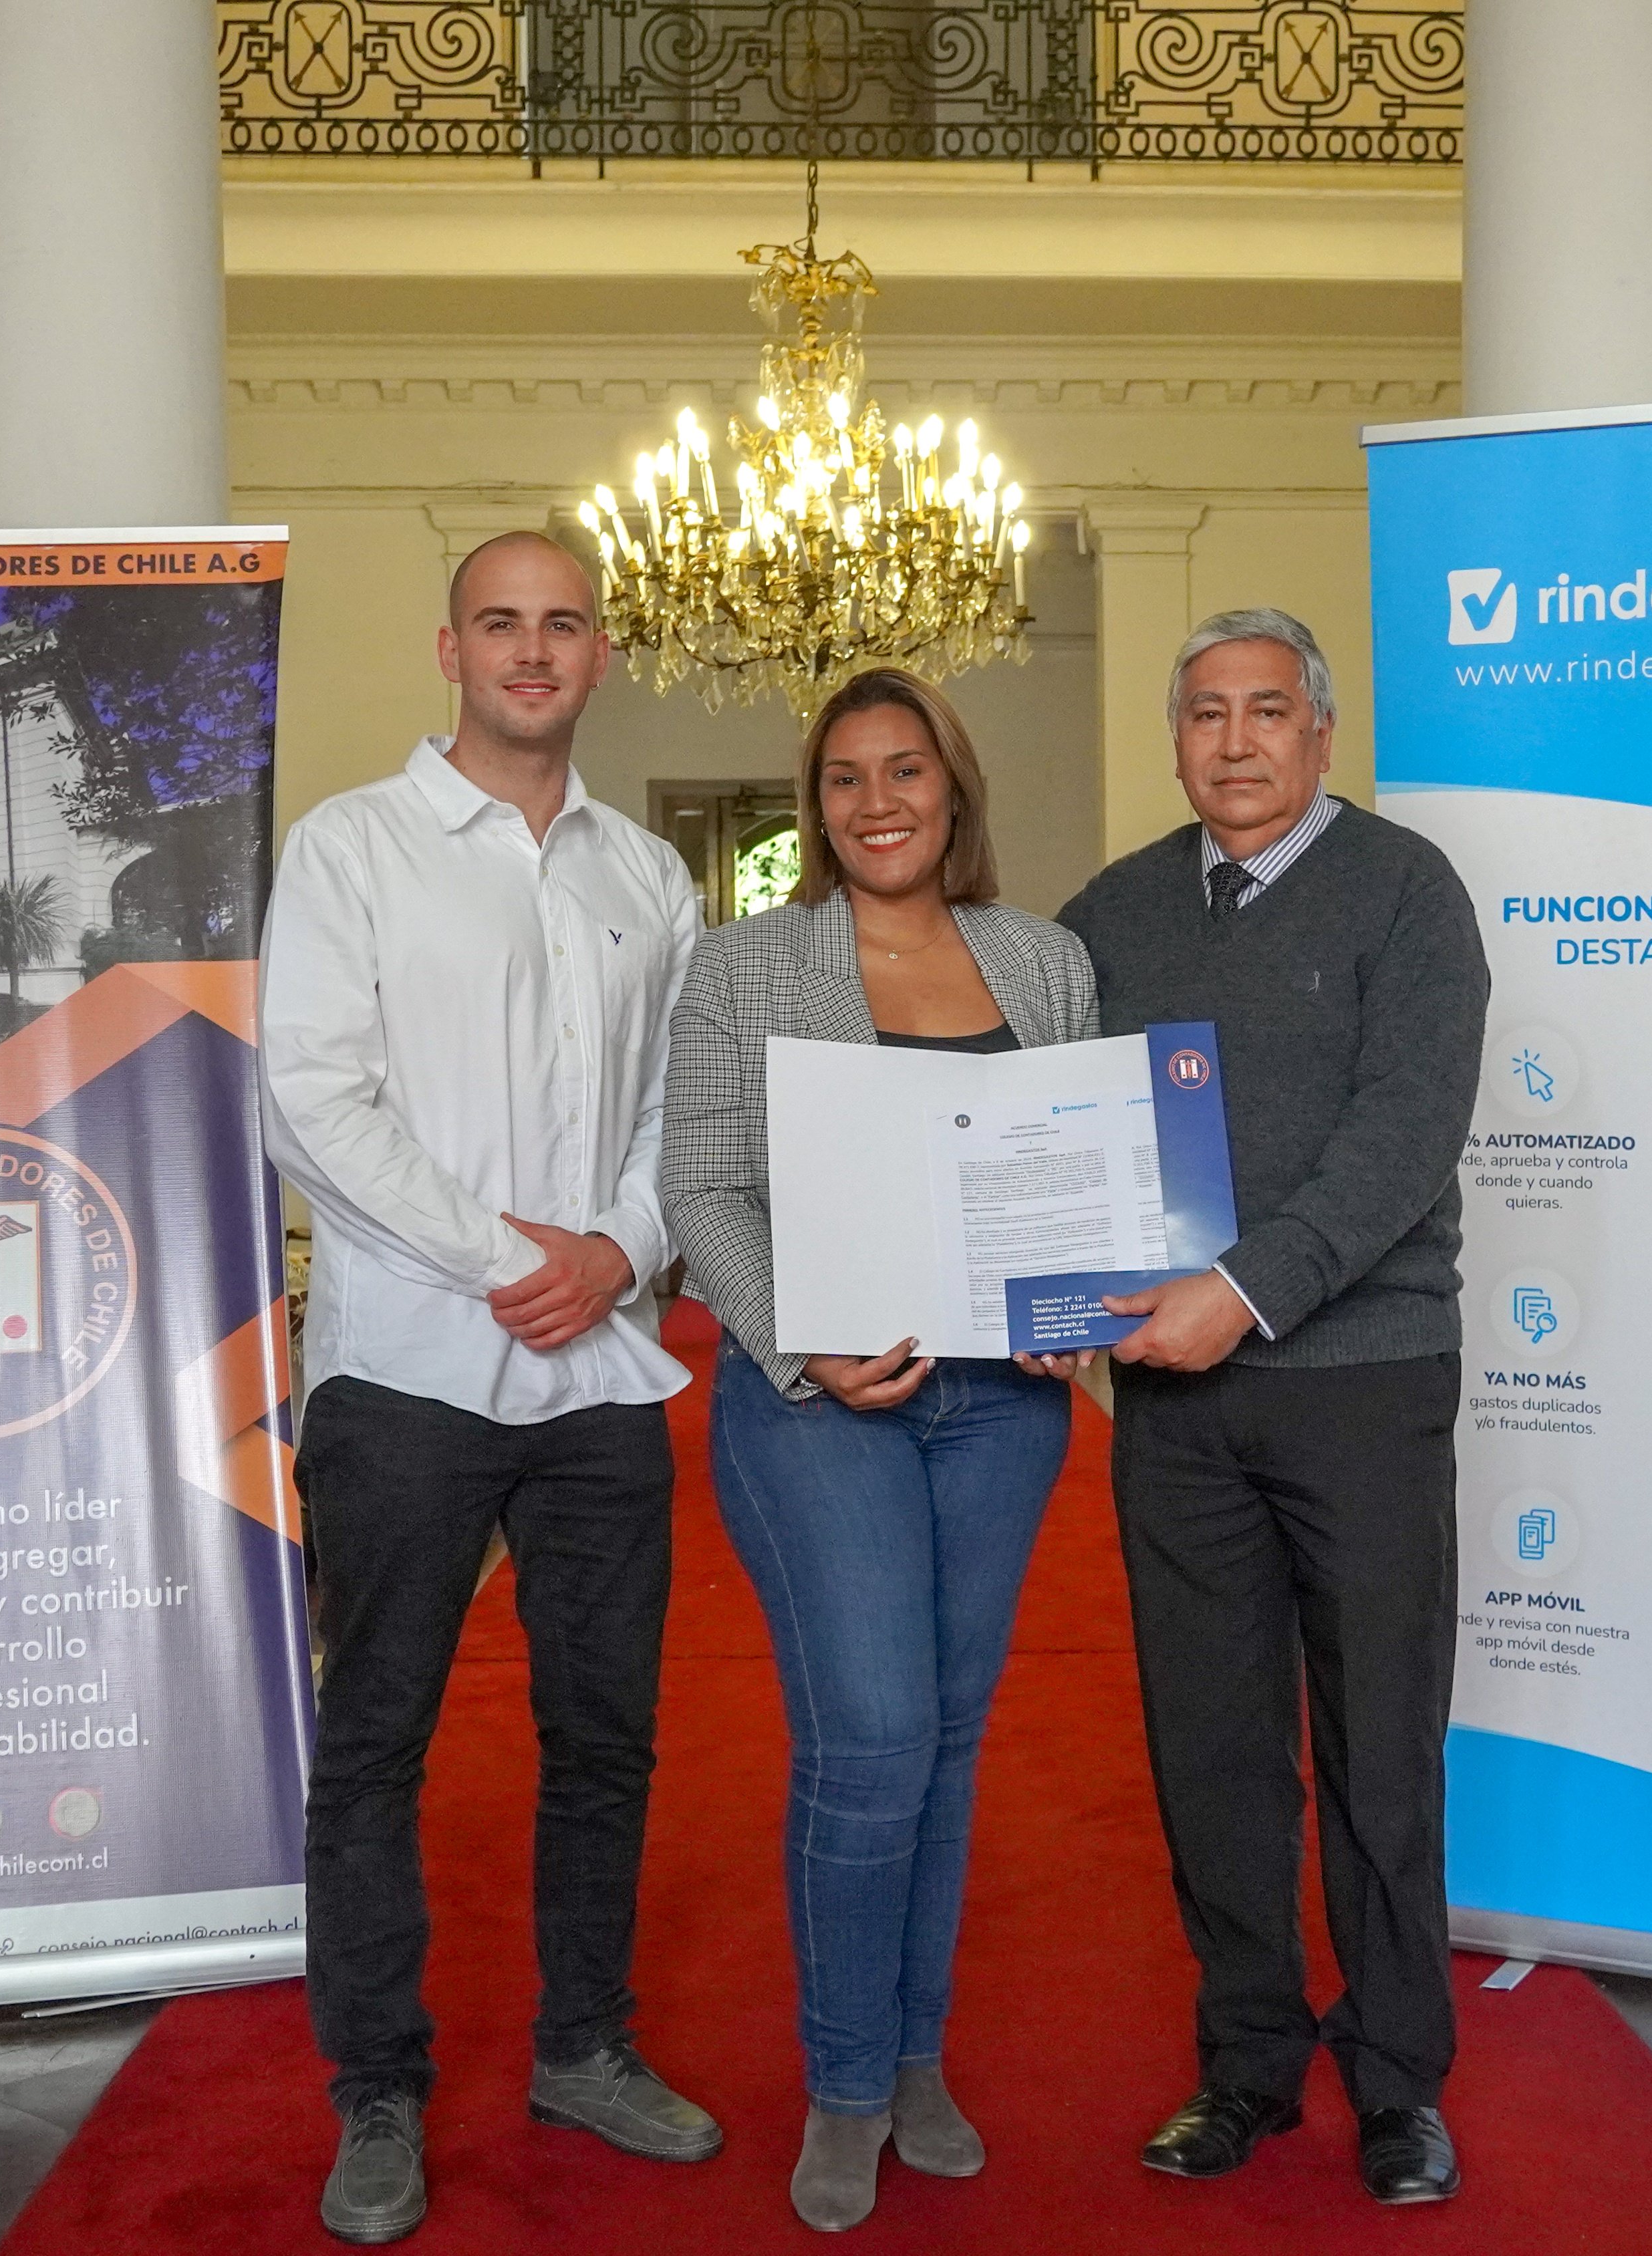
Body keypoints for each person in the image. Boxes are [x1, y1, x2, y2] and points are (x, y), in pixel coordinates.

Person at [259, 531, 719, 2246]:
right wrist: (506, 1254)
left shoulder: (646, 878)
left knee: (606, 1735)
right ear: (448, 646)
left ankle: (584, 2045)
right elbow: (310, 1097)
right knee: (376, 1742)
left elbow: (699, 1108)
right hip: (407, 1370)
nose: (534, 651)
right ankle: (376, 2083)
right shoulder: (354, 849)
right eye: (502, 623)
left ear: (601, 653)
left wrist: (614, 1248)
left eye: (566, 624)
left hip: (603, 1373)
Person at [1053, 608, 1488, 2208]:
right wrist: (1045, 1289)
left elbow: (1403, 1136)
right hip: (1174, 1405)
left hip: (1362, 1381)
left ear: (1320, 733)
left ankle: (1396, 2082)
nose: (1237, 741)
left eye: (1269, 712)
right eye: (1208, 715)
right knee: (1212, 1744)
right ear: (1176, 742)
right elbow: (1051, 1125)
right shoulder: (1115, 914)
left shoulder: (1408, 893)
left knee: (1380, 1741)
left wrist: (1241, 1291)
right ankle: (1244, 2063)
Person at [659, 668, 1102, 2231]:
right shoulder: (743, 962)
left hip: (1003, 1408)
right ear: (816, 804)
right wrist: (802, 1336)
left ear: (951, 785)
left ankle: (919, 2055)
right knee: (867, 1740)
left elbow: (1068, 1180)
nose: (876, 800)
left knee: (951, 1739)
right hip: (815, 1401)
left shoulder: (1043, 961)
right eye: (842, 777)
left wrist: (1078, 1309)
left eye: (903, 767)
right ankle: (846, 2080)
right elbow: (700, 1184)